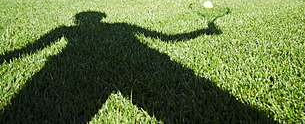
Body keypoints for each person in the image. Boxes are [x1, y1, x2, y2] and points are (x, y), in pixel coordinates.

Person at [1, 11, 274, 123]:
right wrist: (204, 31)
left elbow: (26, 52)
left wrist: (202, 31)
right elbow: (167, 40)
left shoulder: (66, 30)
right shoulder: (118, 27)